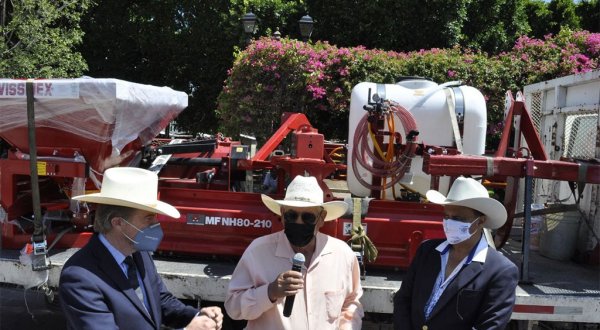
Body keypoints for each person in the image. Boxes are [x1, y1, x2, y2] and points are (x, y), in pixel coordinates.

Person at [59, 167, 223, 330]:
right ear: (118, 223)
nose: (155, 225)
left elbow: (159, 299)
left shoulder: (139, 253)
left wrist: (197, 316)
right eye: (148, 218)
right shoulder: (80, 277)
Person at [225, 175, 364, 329]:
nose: (299, 223)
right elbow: (233, 308)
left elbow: (351, 302)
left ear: (322, 218)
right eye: (292, 215)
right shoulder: (258, 252)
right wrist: (270, 292)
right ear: (282, 215)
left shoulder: (342, 254)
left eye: (307, 217)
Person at [393, 176, 519, 330]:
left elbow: (490, 325)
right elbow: (403, 299)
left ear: (480, 221)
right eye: (446, 216)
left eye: (458, 218)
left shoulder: (500, 271)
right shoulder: (427, 251)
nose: (449, 223)